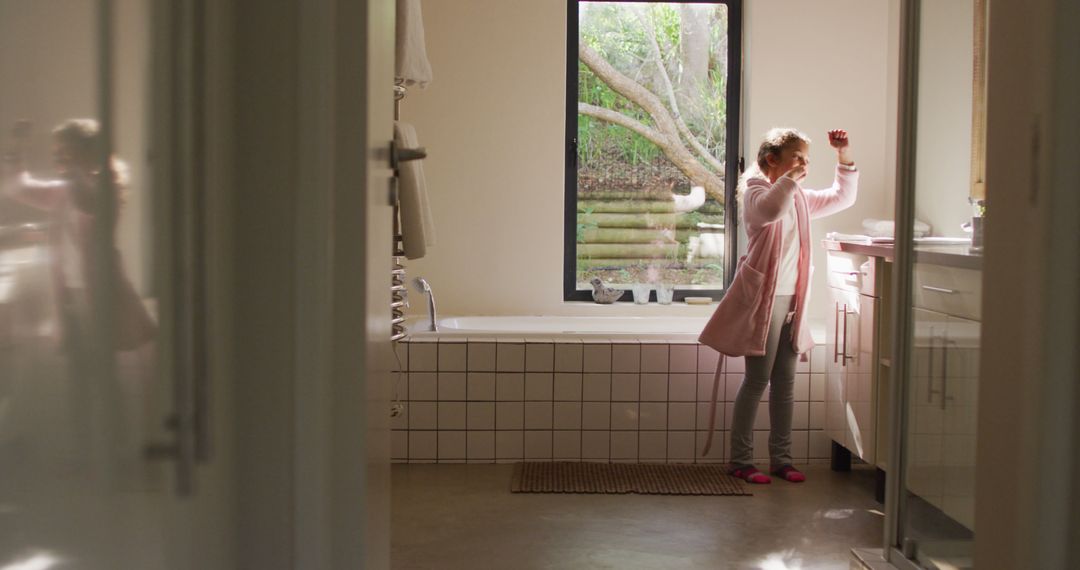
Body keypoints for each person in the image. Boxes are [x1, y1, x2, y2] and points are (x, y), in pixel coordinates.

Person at [699, 127, 858, 484]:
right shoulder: (756, 192)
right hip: (764, 300)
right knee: (757, 380)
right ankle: (740, 460)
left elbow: (841, 197)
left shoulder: (797, 196)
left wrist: (843, 155)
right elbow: (770, 211)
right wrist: (787, 180)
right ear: (772, 159)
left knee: (786, 382)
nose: (803, 165)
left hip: (793, 299)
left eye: (806, 158)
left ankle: (781, 459)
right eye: (797, 157)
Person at [2, 118, 156, 356]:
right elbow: (18, 187)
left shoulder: (108, 187)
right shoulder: (65, 190)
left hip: (99, 287)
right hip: (69, 289)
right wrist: (17, 145)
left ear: (87, 151)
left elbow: (87, 201)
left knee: (103, 357)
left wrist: (72, 169)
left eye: (64, 150)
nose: (57, 157)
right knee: (79, 361)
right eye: (56, 152)